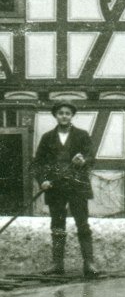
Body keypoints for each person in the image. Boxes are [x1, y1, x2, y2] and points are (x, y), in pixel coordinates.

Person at [33, 101, 99, 277]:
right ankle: (57, 264)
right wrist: (43, 180)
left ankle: (89, 263)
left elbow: (92, 157)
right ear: (56, 115)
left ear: (72, 116)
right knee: (57, 225)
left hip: (77, 186)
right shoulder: (47, 137)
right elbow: (38, 163)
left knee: (82, 224)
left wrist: (83, 160)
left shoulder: (82, 135)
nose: (64, 116)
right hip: (55, 187)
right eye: (60, 113)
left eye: (67, 113)